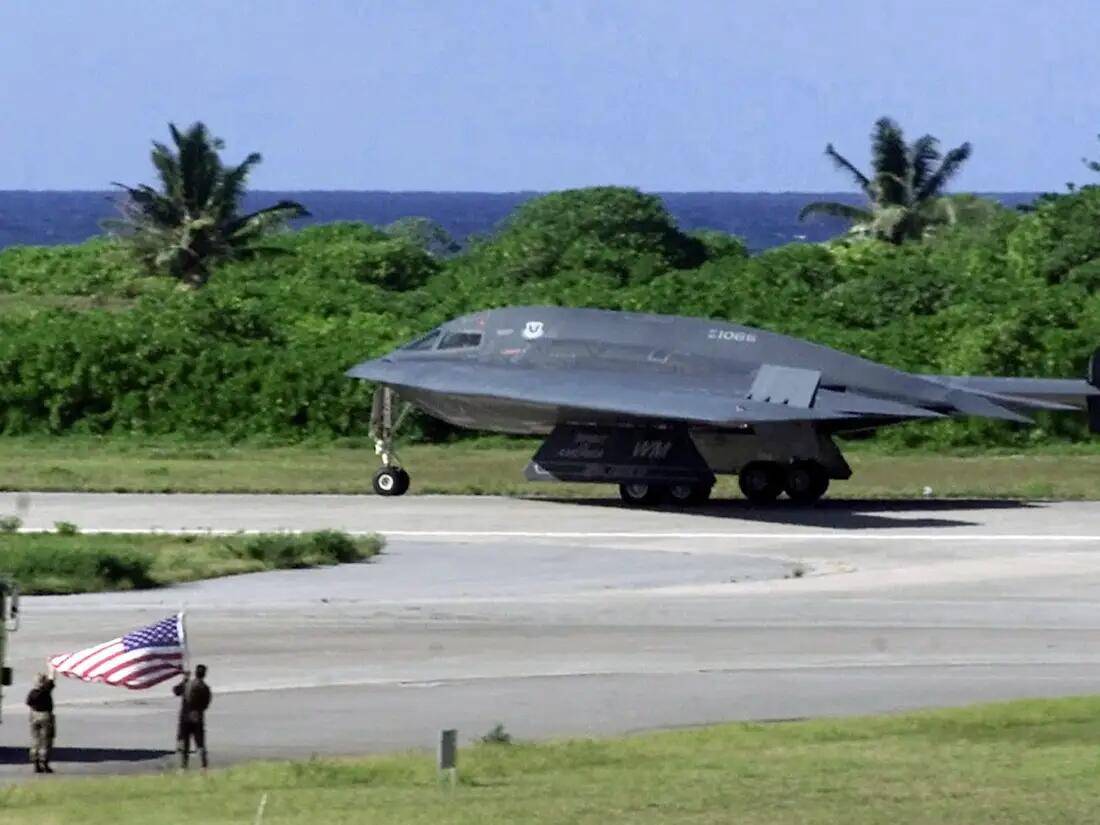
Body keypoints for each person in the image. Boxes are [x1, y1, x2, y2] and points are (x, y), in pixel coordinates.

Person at [173, 664, 212, 769]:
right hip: (197, 718)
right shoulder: (205, 688)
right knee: (200, 743)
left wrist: (185, 680)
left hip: (185, 718)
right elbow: (206, 703)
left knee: (185, 744)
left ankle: (183, 766)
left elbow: (176, 691)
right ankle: (203, 766)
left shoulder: (187, 684)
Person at [25, 671, 56, 774]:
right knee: (46, 740)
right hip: (45, 716)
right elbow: (52, 680)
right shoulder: (46, 691)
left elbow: (28, 702)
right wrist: (51, 669)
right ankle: (45, 762)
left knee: (35, 739)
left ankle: (35, 762)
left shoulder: (32, 693)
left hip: (34, 715)